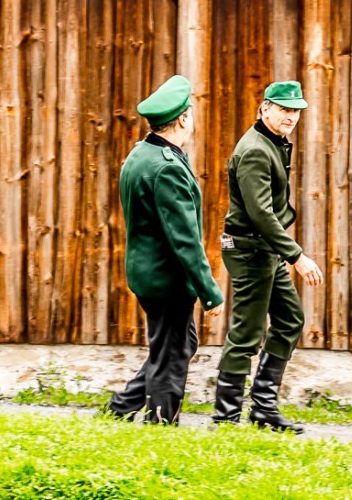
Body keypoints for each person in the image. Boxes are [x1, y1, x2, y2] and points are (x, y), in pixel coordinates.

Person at [104, 75, 224, 425]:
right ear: (184, 118)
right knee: (172, 355)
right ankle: (161, 425)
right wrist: (210, 291)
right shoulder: (166, 168)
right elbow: (184, 239)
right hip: (166, 277)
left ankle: (121, 408)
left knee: (178, 344)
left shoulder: (142, 155)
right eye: (192, 113)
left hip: (147, 271)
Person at [212, 81, 324, 433]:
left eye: (296, 111)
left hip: (266, 248)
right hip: (250, 249)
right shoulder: (256, 150)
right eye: (284, 109)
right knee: (246, 333)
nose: (291, 116)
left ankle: (263, 408)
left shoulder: (274, 142)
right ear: (265, 109)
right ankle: (226, 418)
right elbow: (260, 213)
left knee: (290, 320)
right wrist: (297, 256)